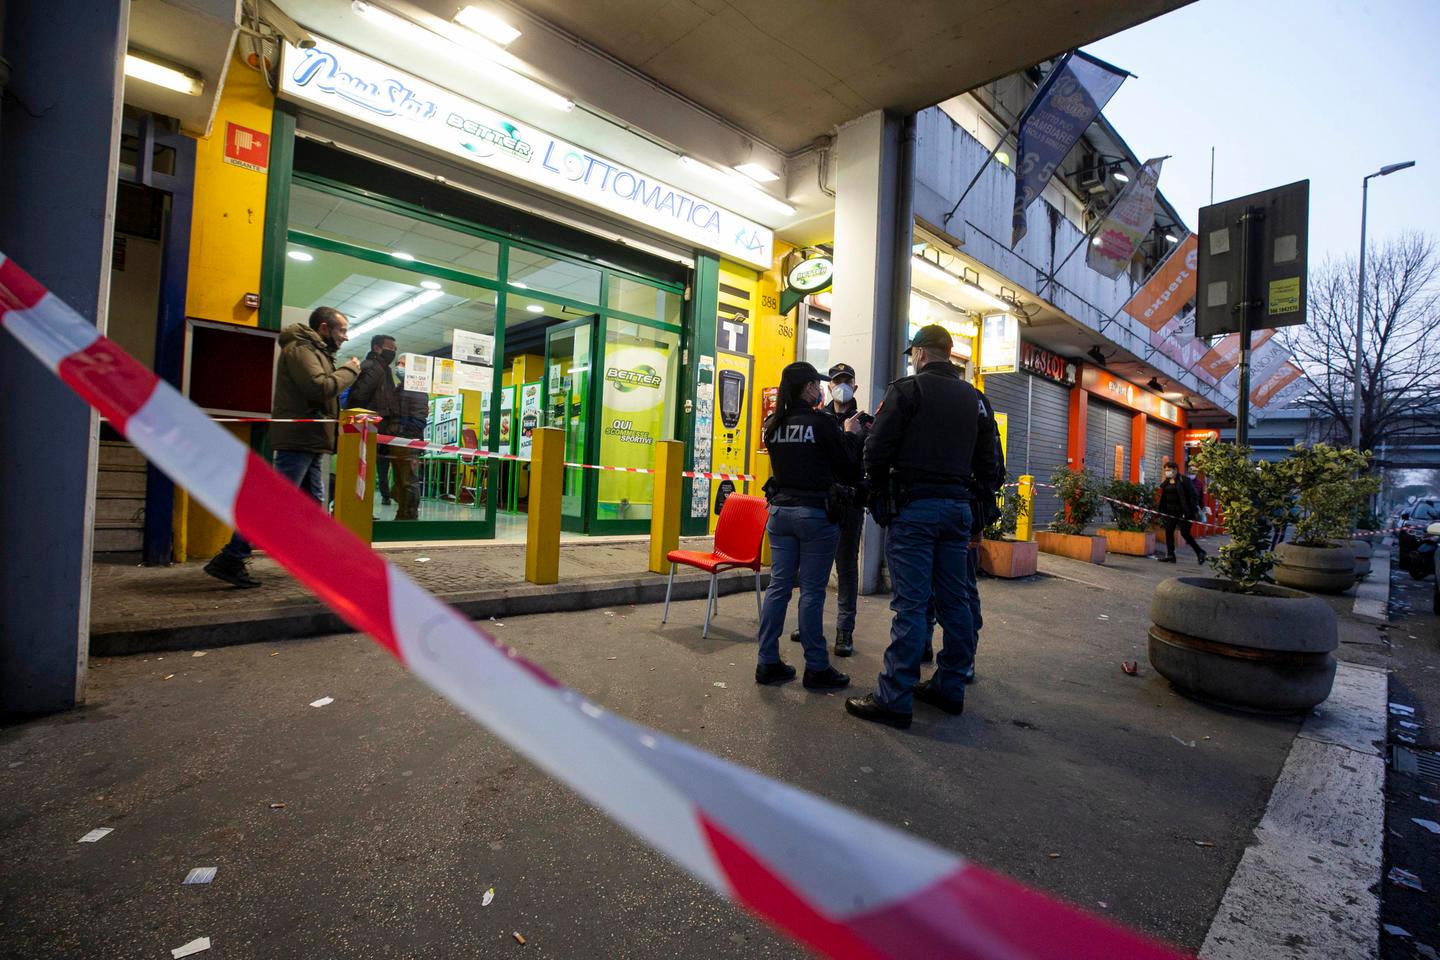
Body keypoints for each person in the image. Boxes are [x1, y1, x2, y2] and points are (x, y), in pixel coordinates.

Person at [846, 324, 996, 729]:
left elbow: (876, 449)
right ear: (949, 353)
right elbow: (991, 467)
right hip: (957, 512)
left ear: (921, 355)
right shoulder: (976, 400)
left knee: (910, 605)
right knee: (956, 602)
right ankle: (950, 687)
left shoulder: (908, 391)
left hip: (914, 510)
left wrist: (881, 494)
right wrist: (975, 509)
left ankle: (894, 698)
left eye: (913, 353)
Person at [204, 306, 360, 588]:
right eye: (342, 330)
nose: (345, 337)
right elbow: (319, 388)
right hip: (299, 438)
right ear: (324, 328)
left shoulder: (315, 351)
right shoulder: (301, 349)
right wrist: (349, 371)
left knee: (312, 505)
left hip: (310, 439)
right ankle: (231, 557)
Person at [755, 361, 863, 690]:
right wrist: (850, 436)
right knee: (812, 593)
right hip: (815, 515)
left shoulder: (773, 424)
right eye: (816, 384)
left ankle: (767, 661)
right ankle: (816, 667)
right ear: (806, 388)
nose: (821, 389)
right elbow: (845, 466)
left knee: (778, 588)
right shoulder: (821, 423)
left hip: (780, 514)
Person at [789, 361, 868, 657]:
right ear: (829, 387)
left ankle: (844, 631)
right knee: (813, 568)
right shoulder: (816, 419)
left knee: (846, 567)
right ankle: (810, 623)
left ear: (855, 387)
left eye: (847, 381)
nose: (842, 386)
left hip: (848, 504)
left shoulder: (864, 422)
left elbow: (864, 462)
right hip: (819, 502)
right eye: (837, 381)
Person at [347, 335, 400, 510]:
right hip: (368, 429)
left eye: (395, 349)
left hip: (380, 430)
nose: (393, 352)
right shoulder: (372, 368)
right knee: (364, 472)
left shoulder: (383, 369)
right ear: (377, 348)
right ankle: (358, 511)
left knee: (370, 472)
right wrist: (371, 421)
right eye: (390, 348)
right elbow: (358, 399)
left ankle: (364, 511)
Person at [390, 355, 429, 521]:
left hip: (407, 440)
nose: (399, 367)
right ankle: (402, 514)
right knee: (399, 482)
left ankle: (410, 517)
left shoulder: (417, 390)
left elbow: (419, 418)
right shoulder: (400, 388)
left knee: (408, 482)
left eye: (403, 364)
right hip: (397, 440)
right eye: (398, 363)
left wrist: (406, 435)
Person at [1157, 461, 1207, 564]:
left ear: (1175, 470)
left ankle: (1200, 552)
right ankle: (1171, 555)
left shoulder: (1184, 480)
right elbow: (1163, 497)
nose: (1167, 472)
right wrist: (1161, 510)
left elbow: (1194, 496)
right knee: (1169, 531)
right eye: (1166, 470)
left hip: (1184, 512)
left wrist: (1192, 510)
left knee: (1185, 533)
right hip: (1171, 512)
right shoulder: (1167, 482)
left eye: (1169, 470)